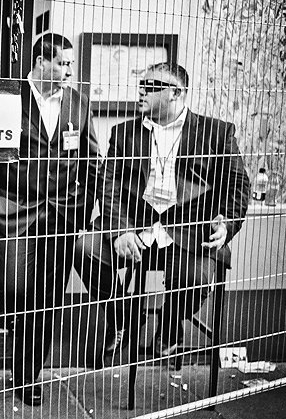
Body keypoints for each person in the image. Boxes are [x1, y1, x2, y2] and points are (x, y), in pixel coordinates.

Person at [78, 63, 251, 362]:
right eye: (141, 84)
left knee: (196, 278)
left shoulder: (216, 133)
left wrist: (227, 223)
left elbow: (238, 185)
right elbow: (109, 184)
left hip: (188, 233)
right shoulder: (124, 133)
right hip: (136, 228)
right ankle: (125, 315)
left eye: (151, 85)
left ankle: (170, 325)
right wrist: (120, 230)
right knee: (84, 248)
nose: (142, 91)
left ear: (175, 93)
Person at [0, 33, 102, 406]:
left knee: (49, 297)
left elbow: (92, 161)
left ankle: (28, 375)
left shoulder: (79, 104)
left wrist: (82, 210)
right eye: (63, 63)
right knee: (15, 289)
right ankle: (18, 346)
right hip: (13, 212)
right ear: (39, 62)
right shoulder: (7, 98)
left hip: (62, 214)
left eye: (70, 64)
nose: (69, 71)